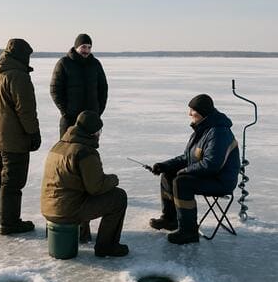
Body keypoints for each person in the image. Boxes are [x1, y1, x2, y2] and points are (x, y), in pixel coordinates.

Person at [150, 94, 240, 245]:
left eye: (192, 110)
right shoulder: (202, 129)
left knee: (182, 182)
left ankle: (189, 232)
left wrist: (184, 171)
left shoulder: (218, 133)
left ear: (202, 112)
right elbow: (187, 157)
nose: (189, 114)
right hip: (208, 176)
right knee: (168, 174)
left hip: (221, 181)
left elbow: (211, 164)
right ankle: (170, 219)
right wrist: (165, 165)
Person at [41, 110, 129, 257]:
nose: (99, 134)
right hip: (66, 211)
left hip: (49, 207)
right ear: (93, 132)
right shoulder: (85, 152)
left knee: (76, 191)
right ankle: (107, 246)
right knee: (118, 197)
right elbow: (96, 187)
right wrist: (113, 179)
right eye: (99, 131)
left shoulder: (59, 146)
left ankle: (82, 233)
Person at [0, 38, 42, 235]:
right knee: (12, 180)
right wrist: (33, 133)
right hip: (15, 139)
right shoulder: (18, 77)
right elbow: (26, 110)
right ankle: (9, 223)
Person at [50, 33, 108, 138]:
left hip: (91, 119)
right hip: (71, 119)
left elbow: (103, 89)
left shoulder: (95, 64)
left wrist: (98, 112)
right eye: (83, 47)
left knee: (89, 151)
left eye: (89, 47)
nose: (86, 50)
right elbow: (55, 89)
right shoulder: (64, 63)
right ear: (76, 47)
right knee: (67, 150)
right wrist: (65, 112)